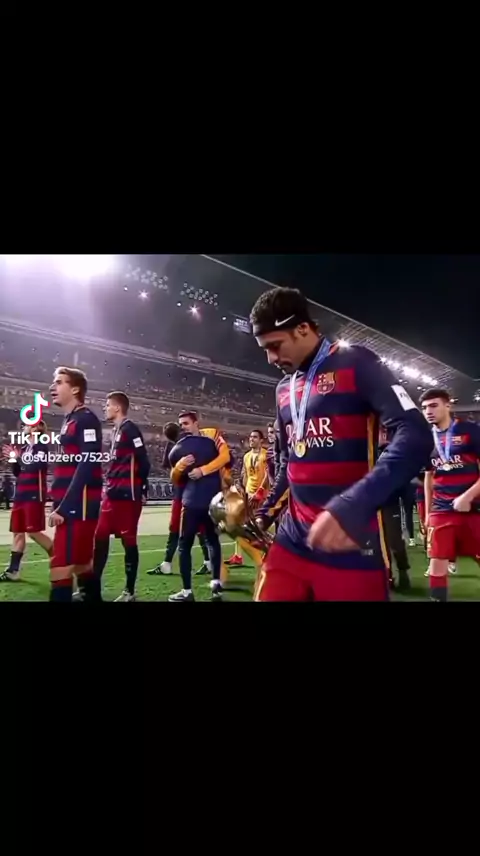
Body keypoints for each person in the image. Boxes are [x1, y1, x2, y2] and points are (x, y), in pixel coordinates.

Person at [250, 286, 433, 601]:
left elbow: (415, 432)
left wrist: (353, 505)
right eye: (265, 349)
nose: (271, 358)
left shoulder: (357, 362)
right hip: (292, 541)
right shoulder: (283, 390)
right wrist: (263, 515)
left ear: (303, 328)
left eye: (275, 346)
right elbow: (289, 463)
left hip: (351, 543)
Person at [48, 367, 103, 602]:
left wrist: (65, 506)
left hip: (78, 506)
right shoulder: (70, 419)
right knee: (81, 564)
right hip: (73, 504)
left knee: (60, 566)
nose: (52, 386)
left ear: (75, 389)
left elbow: (87, 464)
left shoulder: (86, 419)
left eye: (59, 382)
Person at [420, 388, 480, 601]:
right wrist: (428, 513)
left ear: (448, 405)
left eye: (433, 405)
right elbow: (429, 477)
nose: (429, 411)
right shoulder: (425, 439)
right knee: (437, 563)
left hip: (474, 509)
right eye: (425, 407)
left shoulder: (470, 431)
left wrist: (468, 496)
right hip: (441, 510)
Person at [93, 392, 150, 602]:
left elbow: (144, 462)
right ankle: (92, 589)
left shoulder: (130, 429)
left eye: (108, 405)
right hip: (111, 494)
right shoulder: (116, 430)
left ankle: (129, 592)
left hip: (127, 496)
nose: (105, 408)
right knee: (99, 536)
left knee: (128, 541)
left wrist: (141, 489)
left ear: (117, 408)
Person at [147, 419, 223, 577]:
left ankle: (168, 564)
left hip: (183, 493)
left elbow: (169, 468)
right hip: (200, 493)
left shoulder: (175, 447)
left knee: (176, 529)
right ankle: (208, 563)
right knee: (202, 529)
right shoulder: (202, 442)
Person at [167, 425, 225, 602]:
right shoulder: (212, 443)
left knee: (185, 545)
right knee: (212, 541)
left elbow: (174, 476)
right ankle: (216, 586)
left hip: (191, 501)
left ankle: (187, 591)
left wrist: (180, 465)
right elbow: (225, 460)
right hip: (212, 500)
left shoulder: (178, 448)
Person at [0, 421, 52, 582]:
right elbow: (18, 472)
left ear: (36, 428)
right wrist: (13, 460)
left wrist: (19, 458)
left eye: (26, 425)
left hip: (34, 493)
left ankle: (59, 557)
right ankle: (13, 571)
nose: (23, 427)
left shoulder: (41, 447)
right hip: (21, 494)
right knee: (18, 531)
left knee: (33, 532)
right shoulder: (24, 448)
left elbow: (36, 467)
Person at [225, 429, 269, 567]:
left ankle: (267, 553)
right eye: (250, 437)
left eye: (255, 437)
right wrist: (243, 491)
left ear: (261, 440)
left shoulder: (266, 455)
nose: (251, 439)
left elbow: (268, 475)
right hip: (249, 494)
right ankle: (238, 556)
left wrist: (261, 491)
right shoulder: (246, 456)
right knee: (238, 524)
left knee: (262, 525)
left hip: (262, 495)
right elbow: (245, 474)